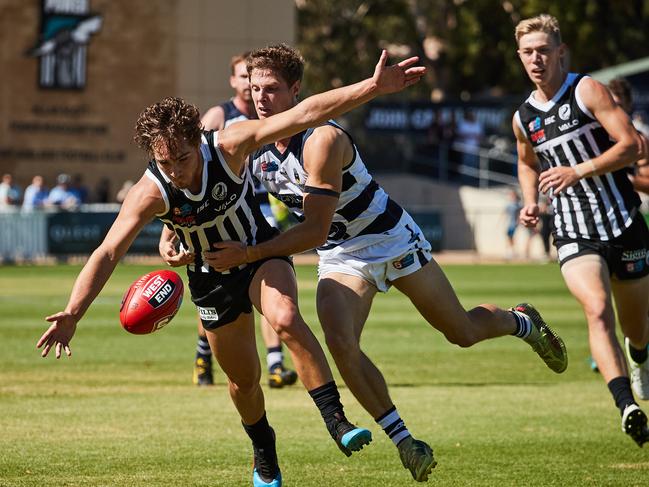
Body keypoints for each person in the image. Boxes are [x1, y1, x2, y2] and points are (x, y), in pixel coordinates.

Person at [36, 51, 427, 487]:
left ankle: (336, 421)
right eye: (164, 163)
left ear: (197, 140)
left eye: (182, 159)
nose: (176, 171)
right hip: (209, 278)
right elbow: (107, 253)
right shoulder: (151, 191)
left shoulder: (230, 143)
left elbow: (307, 112)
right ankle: (264, 451)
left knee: (286, 318)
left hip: (259, 251)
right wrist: (74, 311)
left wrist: (373, 87)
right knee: (244, 381)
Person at [204, 44, 568, 482]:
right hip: (342, 255)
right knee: (341, 343)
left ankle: (520, 321)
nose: (260, 97)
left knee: (462, 332)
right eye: (253, 87)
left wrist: (249, 254)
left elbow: (314, 230)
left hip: (390, 238)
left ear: (295, 90)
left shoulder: (323, 140)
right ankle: (404, 441)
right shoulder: (251, 142)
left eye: (272, 88)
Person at [512, 14, 649, 447]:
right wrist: (530, 200)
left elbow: (631, 144)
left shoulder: (586, 89)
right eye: (528, 52)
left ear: (560, 52)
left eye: (543, 51)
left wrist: (581, 169)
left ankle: (640, 356)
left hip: (623, 221)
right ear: (520, 57)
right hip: (572, 228)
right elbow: (526, 160)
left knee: (636, 326)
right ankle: (626, 404)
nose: (536, 59)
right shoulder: (522, 117)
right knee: (595, 308)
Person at [160, 52, 298, 389]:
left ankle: (276, 362)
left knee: (270, 286)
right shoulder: (221, 116)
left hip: (259, 210)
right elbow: (190, 176)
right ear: (235, 82)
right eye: (244, 80)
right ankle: (203, 354)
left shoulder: (274, 113)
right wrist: (172, 229)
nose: (253, 90)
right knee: (213, 280)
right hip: (215, 213)